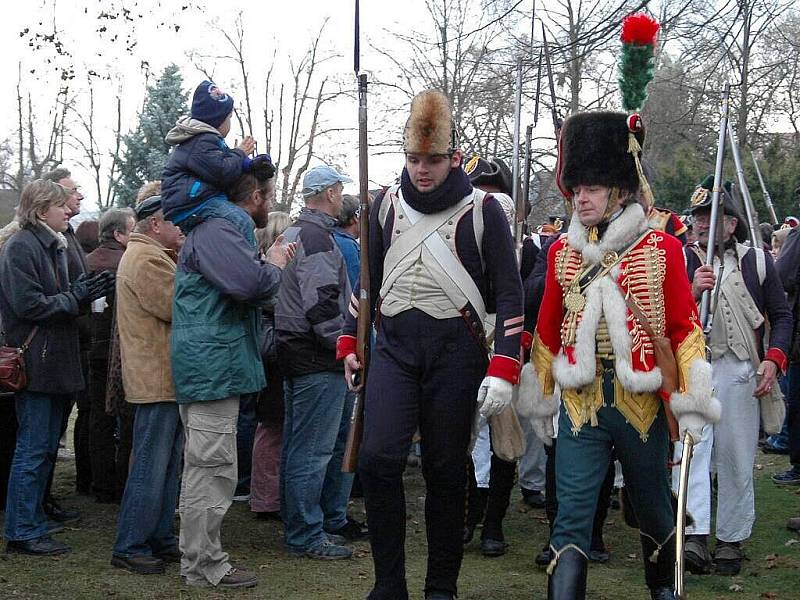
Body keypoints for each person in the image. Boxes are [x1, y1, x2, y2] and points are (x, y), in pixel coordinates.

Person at [519, 107, 718, 600]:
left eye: (591, 188)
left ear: (620, 190)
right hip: (580, 402)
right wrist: (541, 393)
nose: (579, 197)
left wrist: (690, 404)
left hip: (643, 406)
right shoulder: (561, 254)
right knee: (570, 519)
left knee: (653, 509)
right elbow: (545, 331)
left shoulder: (662, 249)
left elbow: (685, 330)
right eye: (576, 188)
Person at [337, 91, 524, 600]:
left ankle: (441, 586)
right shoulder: (381, 205)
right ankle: (388, 585)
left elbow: (509, 294)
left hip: (456, 353)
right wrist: (348, 344)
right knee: (377, 460)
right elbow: (367, 288)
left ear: (453, 159)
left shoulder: (485, 210)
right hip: (395, 350)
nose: (422, 170)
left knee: (446, 469)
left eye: (434, 160)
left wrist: (505, 365)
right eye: (415, 159)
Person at [172, 156, 293, 589]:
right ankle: (205, 566)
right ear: (255, 197)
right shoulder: (221, 228)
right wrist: (274, 262)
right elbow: (251, 286)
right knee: (211, 467)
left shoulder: (214, 228)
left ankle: (201, 560)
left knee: (209, 465)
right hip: (211, 368)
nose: (272, 203)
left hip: (214, 365)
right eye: (270, 195)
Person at [679, 176, 792, 575]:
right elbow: (662, 318)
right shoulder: (678, 259)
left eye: (714, 217)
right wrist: (692, 292)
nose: (704, 225)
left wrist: (773, 360)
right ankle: (693, 533)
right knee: (691, 453)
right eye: (698, 217)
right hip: (692, 367)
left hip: (740, 369)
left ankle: (730, 538)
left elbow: (780, 317)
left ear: (731, 223)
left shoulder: (758, 261)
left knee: (736, 455)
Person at [0, 179, 113, 556]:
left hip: (56, 361)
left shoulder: (55, 245)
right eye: (60, 205)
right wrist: (76, 296)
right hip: (37, 363)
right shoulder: (21, 247)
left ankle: (33, 518)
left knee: (45, 447)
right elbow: (28, 306)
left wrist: (88, 292)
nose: (68, 210)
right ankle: (21, 529)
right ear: (40, 209)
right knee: (32, 449)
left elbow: (60, 299)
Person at [276, 164, 368, 561]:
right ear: (330, 193)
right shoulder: (315, 238)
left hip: (299, 353)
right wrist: (346, 347)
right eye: (340, 188)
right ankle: (305, 533)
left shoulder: (294, 232)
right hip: (316, 356)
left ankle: (306, 523)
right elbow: (322, 304)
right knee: (312, 449)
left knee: (303, 445)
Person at [110, 195, 185, 575]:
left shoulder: (149, 256)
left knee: (167, 464)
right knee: (151, 466)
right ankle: (131, 543)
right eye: (175, 224)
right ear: (156, 224)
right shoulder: (147, 259)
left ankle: (158, 537)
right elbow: (177, 305)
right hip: (156, 377)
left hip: (162, 376)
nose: (181, 230)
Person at [161, 80, 267, 224]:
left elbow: (226, 163)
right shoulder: (201, 142)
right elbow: (223, 171)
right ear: (218, 120)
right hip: (190, 204)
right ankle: (243, 247)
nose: (230, 123)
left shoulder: (207, 141)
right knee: (241, 220)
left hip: (199, 201)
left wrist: (253, 165)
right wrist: (240, 152)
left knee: (239, 217)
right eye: (229, 118)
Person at [85, 208, 136, 504]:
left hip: (94, 348)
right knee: (126, 418)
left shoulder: (87, 261)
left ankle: (98, 482)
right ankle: (120, 483)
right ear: (118, 234)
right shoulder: (126, 264)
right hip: (119, 350)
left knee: (97, 418)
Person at [250, 211, 293, 520]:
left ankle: (269, 495)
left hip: (273, 353)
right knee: (271, 428)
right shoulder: (267, 270)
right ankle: (265, 498)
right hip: (274, 353)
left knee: (273, 426)